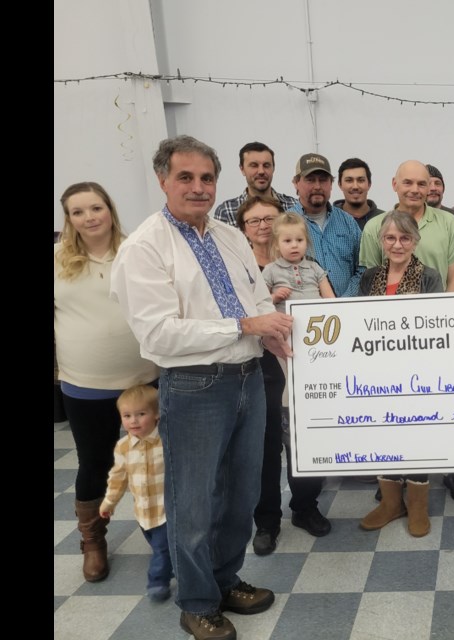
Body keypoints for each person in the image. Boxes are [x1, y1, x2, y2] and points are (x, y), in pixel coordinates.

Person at [111, 135, 293, 640]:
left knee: (242, 492)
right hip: (193, 386)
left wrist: (272, 331)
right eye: (185, 177)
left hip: (248, 379)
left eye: (207, 178)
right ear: (162, 180)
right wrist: (245, 326)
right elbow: (158, 333)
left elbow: (256, 299)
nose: (198, 187)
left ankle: (224, 579)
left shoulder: (230, 236)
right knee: (194, 503)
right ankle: (195, 602)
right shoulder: (145, 247)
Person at [55, 182, 158, 583]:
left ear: (110, 209)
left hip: (143, 379)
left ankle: (162, 534)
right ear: (69, 219)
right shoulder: (58, 259)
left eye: (95, 207)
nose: (89, 217)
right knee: (94, 464)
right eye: (78, 212)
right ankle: (93, 542)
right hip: (84, 382)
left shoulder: (137, 253)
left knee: (155, 461)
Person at [234, 197, 328, 556]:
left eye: (267, 218)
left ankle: (305, 507)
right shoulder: (245, 268)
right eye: (254, 220)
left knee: (309, 439)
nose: (261, 224)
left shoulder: (310, 267)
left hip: (309, 360)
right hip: (264, 365)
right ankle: (267, 522)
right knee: (267, 445)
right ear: (246, 228)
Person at [357, 211, 444, 537]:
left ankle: (418, 504)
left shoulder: (429, 277)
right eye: (391, 238)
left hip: (417, 373)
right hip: (377, 372)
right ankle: (392, 502)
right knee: (383, 435)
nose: (397, 244)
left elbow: (435, 325)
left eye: (404, 238)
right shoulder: (370, 279)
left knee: (416, 436)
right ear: (382, 241)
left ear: (415, 241)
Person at [99, 385, 171, 601]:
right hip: (143, 513)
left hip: (166, 510)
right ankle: (173, 565)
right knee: (160, 547)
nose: (134, 421)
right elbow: (118, 476)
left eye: (141, 414)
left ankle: (158, 582)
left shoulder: (167, 441)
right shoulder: (123, 447)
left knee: (162, 549)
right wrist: (109, 502)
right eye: (127, 416)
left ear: (156, 413)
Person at [360, 160, 454, 292]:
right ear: (394, 184)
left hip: (436, 310)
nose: (415, 190)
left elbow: (453, 279)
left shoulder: (450, 223)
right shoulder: (374, 227)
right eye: (408, 183)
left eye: (421, 184)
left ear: (428, 188)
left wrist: (445, 311)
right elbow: (370, 281)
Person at [289, 152, 364, 297]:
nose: (317, 186)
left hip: (347, 310)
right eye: (310, 180)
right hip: (302, 313)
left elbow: (362, 268)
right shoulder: (285, 223)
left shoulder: (348, 222)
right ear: (296, 183)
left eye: (323, 180)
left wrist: (343, 302)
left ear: (331, 184)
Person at [263, 212, 337, 311]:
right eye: (288, 241)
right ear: (276, 244)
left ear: (306, 242)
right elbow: (261, 303)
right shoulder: (270, 270)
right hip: (286, 324)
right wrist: (275, 297)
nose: (294, 245)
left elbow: (330, 299)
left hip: (317, 321)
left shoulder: (315, 268)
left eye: (299, 240)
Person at [213, 141, 299, 226]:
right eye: (254, 165)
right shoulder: (226, 212)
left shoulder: (293, 206)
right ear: (242, 169)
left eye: (266, 165)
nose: (261, 171)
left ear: (273, 168)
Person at [333, 158, 385, 230]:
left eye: (361, 180)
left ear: (369, 184)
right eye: (349, 180)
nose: (355, 186)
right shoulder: (330, 219)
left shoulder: (384, 220)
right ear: (340, 185)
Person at [426, 164, 454, 233]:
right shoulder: (410, 219)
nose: (433, 188)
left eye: (437, 183)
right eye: (428, 184)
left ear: (443, 188)